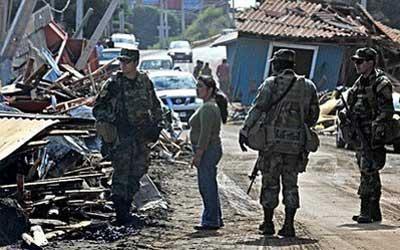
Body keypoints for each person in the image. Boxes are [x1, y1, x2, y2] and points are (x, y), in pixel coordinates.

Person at [238, 49, 319, 237]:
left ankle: (268, 223)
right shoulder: (308, 86)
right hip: (295, 147)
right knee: (291, 184)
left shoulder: (271, 84)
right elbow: (313, 116)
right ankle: (289, 225)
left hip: (272, 145)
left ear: (277, 65)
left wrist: (245, 131)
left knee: (270, 183)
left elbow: (257, 108)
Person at [93, 45, 163, 225]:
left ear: (136, 63)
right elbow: (97, 108)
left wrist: (157, 124)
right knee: (121, 173)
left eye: (127, 61)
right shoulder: (114, 84)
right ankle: (120, 212)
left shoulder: (145, 81)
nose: (123, 65)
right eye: (121, 61)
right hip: (122, 137)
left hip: (141, 136)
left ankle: (127, 205)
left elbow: (155, 104)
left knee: (138, 170)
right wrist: (115, 119)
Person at [340, 47, 393, 223]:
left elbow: (387, 110)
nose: (356, 64)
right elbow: (352, 103)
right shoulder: (359, 82)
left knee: (368, 170)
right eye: (355, 61)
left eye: (360, 61)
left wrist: (376, 130)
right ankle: (374, 211)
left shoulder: (381, 83)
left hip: (372, 136)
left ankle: (366, 211)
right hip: (360, 133)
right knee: (369, 172)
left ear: (370, 62)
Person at [189, 75, 228, 230]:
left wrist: (198, 155)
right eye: (197, 86)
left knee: (206, 186)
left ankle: (211, 220)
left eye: (200, 86)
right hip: (209, 150)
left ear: (210, 89)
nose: (197, 89)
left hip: (208, 150)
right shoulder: (208, 106)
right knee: (209, 184)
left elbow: (205, 134)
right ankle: (215, 217)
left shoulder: (208, 108)